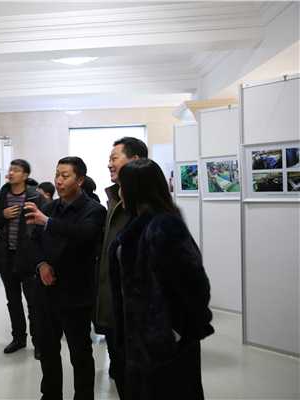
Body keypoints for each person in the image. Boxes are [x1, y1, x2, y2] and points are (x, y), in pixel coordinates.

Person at [110, 159, 213, 400]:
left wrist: (175, 331)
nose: (119, 192)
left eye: (122, 186)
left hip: (165, 342)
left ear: (136, 189)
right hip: (141, 339)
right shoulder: (137, 222)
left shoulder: (164, 226)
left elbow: (195, 284)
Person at [24, 156, 106, 400]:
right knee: (47, 349)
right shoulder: (49, 208)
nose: (58, 181)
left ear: (79, 180)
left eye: (65, 176)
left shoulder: (94, 210)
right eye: (57, 174)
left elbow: (84, 234)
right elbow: (34, 241)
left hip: (76, 293)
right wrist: (41, 264)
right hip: (46, 291)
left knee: (80, 353)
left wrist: (48, 222)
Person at [93, 136, 148, 395]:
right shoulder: (114, 200)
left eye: (114, 158)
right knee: (123, 375)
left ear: (135, 160)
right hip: (114, 310)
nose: (109, 164)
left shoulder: (149, 208)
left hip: (136, 316)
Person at [0, 159, 44, 357]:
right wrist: (3, 214)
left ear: (25, 175)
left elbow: (45, 226)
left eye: (16, 170)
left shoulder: (35, 196)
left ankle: (39, 343)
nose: (11, 173)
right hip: (6, 258)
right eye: (10, 169)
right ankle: (18, 338)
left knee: (34, 303)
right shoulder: (2, 195)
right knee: (13, 301)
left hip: (29, 259)